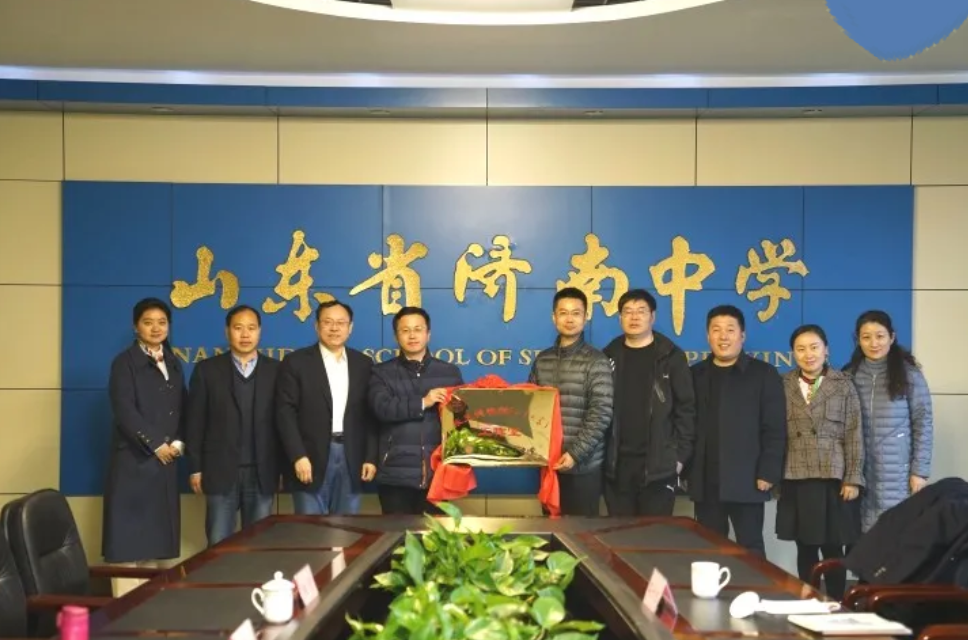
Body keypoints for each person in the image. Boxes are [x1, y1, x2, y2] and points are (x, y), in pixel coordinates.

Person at [687, 305, 786, 556]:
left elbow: (774, 428)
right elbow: (686, 425)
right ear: (708, 335)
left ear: (742, 335)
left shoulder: (763, 374)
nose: (723, 336)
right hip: (706, 481)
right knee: (709, 549)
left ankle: (753, 585)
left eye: (730, 330)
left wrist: (768, 471)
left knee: (750, 548)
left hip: (748, 479)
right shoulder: (695, 374)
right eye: (716, 330)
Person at [777, 324, 864, 600]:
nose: (808, 354)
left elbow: (854, 433)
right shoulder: (782, 384)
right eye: (801, 349)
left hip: (832, 477)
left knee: (832, 546)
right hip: (795, 475)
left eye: (814, 347)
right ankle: (809, 600)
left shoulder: (843, 384)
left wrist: (853, 477)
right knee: (804, 546)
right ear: (793, 354)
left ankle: (837, 602)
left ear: (826, 350)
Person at [186, 305, 280, 546]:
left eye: (251, 328)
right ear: (227, 331)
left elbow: (284, 423)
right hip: (219, 470)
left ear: (259, 331)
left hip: (263, 472)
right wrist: (195, 468)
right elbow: (195, 422)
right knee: (218, 543)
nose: (245, 334)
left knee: (259, 543)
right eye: (238, 328)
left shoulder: (277, 371)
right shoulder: (207, 370)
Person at [103, 297, 186, 566]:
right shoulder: (124, 363)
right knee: (129, 543)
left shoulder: (173, 362)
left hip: (166, 462)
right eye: (148, 322)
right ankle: (126, 595)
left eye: (162, 322)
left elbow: (182, 406)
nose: (156, 328)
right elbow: (124, 410)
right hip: (134, 462)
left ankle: (150, 594)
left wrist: (178, 442)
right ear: (135, 326)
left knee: (156, 544)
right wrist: (156, 445)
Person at [276, 300, 378, 515]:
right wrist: (298, 456)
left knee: (347, 528)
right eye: (328, 322)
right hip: (309, 457)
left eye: (341, 323)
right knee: (311, 528)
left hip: (352, 456)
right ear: (317, 326)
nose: (334, 328)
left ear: (350, 327)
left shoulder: (363, 364)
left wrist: (370, 457)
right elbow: (285, 413)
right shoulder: (296, 362)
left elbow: (370, 415)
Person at [602, 289, 695, 517]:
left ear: (652, 317)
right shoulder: (608, 355)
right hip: (617, 468)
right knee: (619, 533)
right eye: (628, 311)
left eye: (641, 311)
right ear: (620, 318)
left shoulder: (671, 356)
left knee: (655, 534)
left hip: (659, 468)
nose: (634, 317)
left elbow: (686, 409)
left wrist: (679, 458)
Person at [844, 310, 933, 533]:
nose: (874, 343)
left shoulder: (909, 375)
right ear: (858, 340)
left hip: (897, 472)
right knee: (860, 537)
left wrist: (919, 471)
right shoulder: (849, 375)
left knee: (895, 534)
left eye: (880, 336)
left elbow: (923, 423)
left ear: (892, 337)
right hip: (858, 471)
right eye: (866, 337)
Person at [369, 306, 463, 514]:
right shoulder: (381, 372)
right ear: (396, 336)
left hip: (438, 473)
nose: (412, 335)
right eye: (405, 330)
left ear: (428, 334)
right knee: (396, 533)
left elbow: (460, 421)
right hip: (395, 474)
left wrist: (460, 409)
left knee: (435, 532)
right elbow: (382, 409)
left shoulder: (449, 372)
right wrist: (423, 402)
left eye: (418, 329)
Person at [529, 287, 614, 517]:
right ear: (554, 317)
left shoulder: (596, 360)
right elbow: (531, 407)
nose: (569, 319)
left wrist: (575, 454)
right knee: (551, 528)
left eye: (576, 313)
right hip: (550, 465)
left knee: (581, 533)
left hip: (583, 467)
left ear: (585, 317)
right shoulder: (543, 359)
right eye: (563, 313)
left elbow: (601, 413)